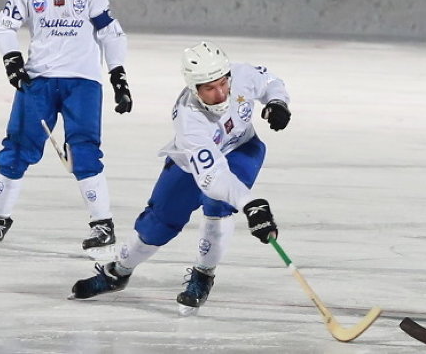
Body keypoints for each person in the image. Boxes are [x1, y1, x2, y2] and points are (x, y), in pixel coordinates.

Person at [70, 41, 291, 316]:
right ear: (194, 89)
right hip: (191, 164)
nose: (221, 93)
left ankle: (203, 274)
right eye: (210, 88)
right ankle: (118, 272)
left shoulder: (240, 75)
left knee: (218, 208)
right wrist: (250, 203)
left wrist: (277, 101)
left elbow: (270, 80)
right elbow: (212, 177)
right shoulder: (189, 120)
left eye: (223, 83)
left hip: (241, 149)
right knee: (157, 225)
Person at [0, 0, 132, 258]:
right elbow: (4, 27)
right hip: (38, 80)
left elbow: (109, 31)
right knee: (17, 148)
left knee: (84, 151)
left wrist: (118, 76)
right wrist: (12, 60)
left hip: (83, 81)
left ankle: (102, 224)